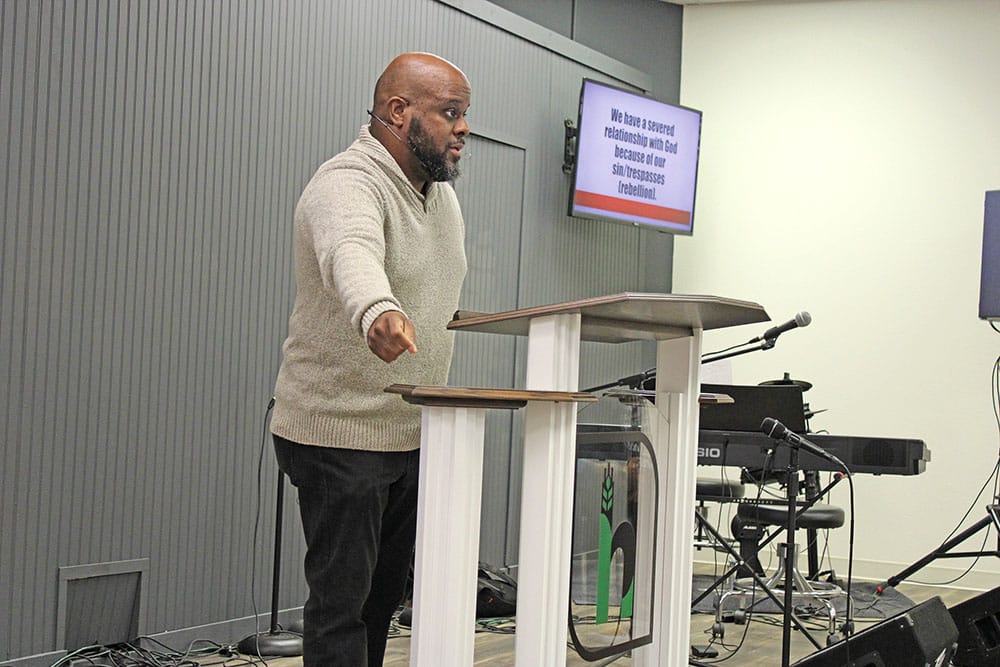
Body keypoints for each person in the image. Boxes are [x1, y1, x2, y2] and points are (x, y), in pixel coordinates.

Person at [269, 52, 471, 666]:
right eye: (451, 113)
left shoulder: (439, 198)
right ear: (397, 111)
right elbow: (350, 252)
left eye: (466, 115)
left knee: (381, 605)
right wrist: (376, 310)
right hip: (339, 431)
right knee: (343, 611)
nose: (464, 128)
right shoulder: (347, 183)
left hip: (409, 433)